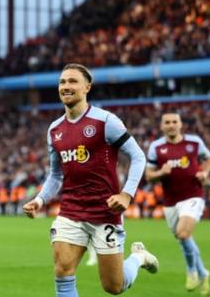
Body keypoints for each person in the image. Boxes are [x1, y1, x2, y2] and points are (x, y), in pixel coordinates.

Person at [23, 63, 158, 296]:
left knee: (114, 286)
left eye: (73, 81)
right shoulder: (54, 129)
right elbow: (56, 174)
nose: (66, 86)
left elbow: (138, 156)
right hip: (71, 211)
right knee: (63, 269)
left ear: (87, 87)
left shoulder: (106, 121)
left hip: (104, 211)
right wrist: (40, 200)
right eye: (62, 82)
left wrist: (126, 194)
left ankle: (138, 257)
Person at [145, 113, 210, 295]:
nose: (171, 125)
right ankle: (203, 273)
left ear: (181, 124)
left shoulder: (194, 143)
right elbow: (149, 176)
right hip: (170, 202)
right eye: (167, 122)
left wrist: (205, 173)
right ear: (161, 126)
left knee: (183, 234)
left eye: (174, 122)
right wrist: (161, 173)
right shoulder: (156, 147)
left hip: (193, 195)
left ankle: (191, 272)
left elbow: (209, 159)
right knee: (184, 240)